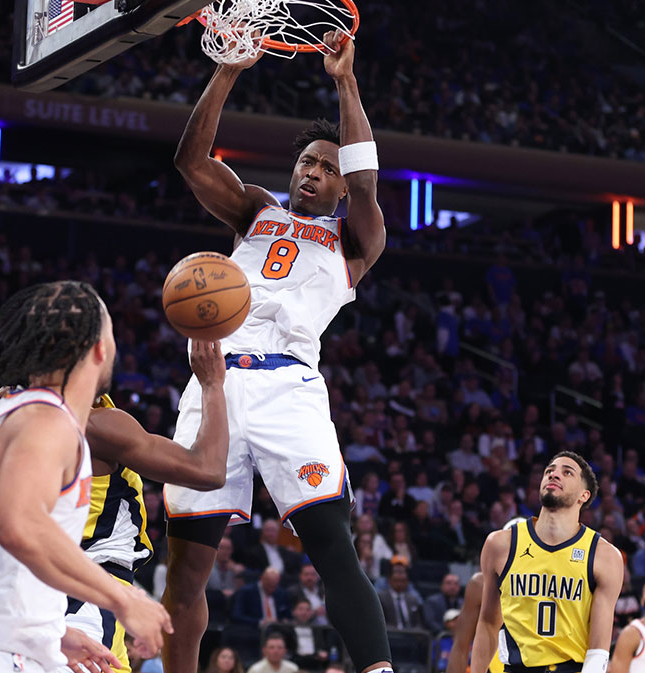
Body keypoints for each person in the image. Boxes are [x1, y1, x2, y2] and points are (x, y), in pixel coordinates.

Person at [166, 27, 390, 673]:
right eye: (307, 163)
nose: (314, 173)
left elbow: (368, 183)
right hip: (213, 381)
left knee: (331, 544)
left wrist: (345, 80)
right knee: (188, 564)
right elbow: (191, 159)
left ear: (341, 182)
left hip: (288, 387)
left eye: (328, 167)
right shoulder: (256, 211)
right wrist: (229, 71)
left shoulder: (356, 238)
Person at [0, 281, 171, 672]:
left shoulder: (23, 413)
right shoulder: (46, 419)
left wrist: (52, 634)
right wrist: (124, 600)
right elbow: (19, 526)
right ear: (100, 349)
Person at [0, 335, 230, 673]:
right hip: (89, 589)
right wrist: (212, 384)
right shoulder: (95, 425)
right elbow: (208, 471)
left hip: (30, 590)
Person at [471, 452, 623, 673]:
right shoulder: (500, 544)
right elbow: (487, 624)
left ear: (584, 495)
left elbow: (598, 648)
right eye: (549, 471)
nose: (554, 475)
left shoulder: (603, 555)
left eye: (567, 472)